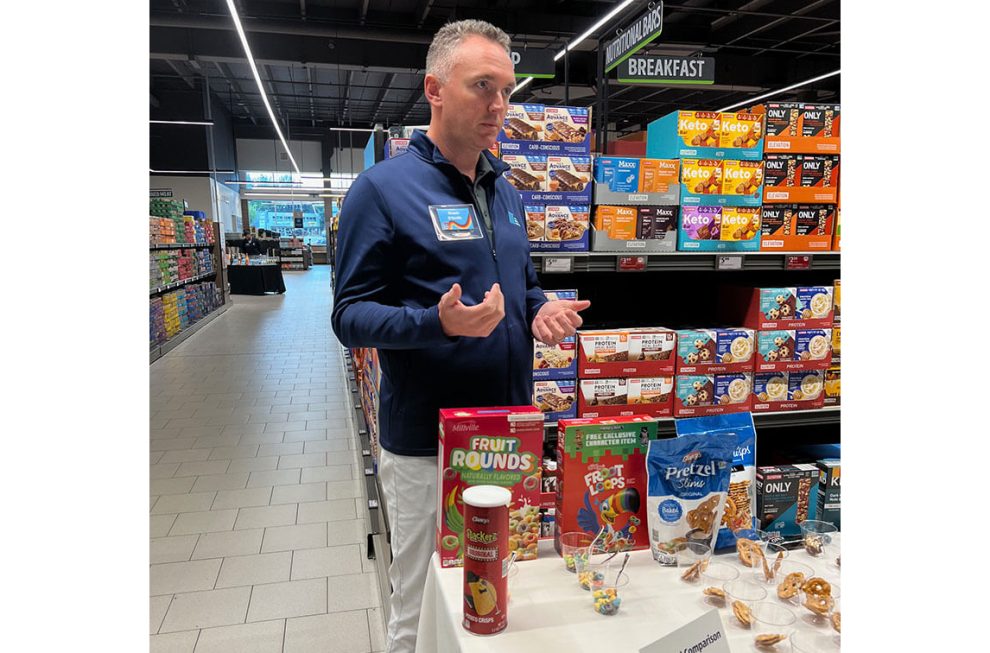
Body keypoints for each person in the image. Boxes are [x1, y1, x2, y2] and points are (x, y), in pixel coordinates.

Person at [331, 19, 590, 653]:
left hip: (508, 434)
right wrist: (434, 322)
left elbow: (520, 284)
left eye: (506, 89)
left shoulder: (504, 189)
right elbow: (349, 316)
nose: (499, 106)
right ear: (435, 89)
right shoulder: (382, 191)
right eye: (482, 86)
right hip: (426, 443)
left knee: (501, 591)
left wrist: (538, 311)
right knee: (420, 601)